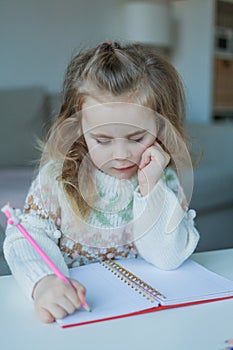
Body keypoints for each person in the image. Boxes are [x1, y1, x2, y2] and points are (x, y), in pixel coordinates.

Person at [3, 42, 199, 323]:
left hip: (142, 320)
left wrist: (149, 188)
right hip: (77, 317)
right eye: (102, 140)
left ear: (161, 124)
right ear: (78, 129)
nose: (121, 155)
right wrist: (43, 282)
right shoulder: (56, 178)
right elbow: (25, 239)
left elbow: (169, 257)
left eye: (137, 138)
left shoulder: (161, 176)